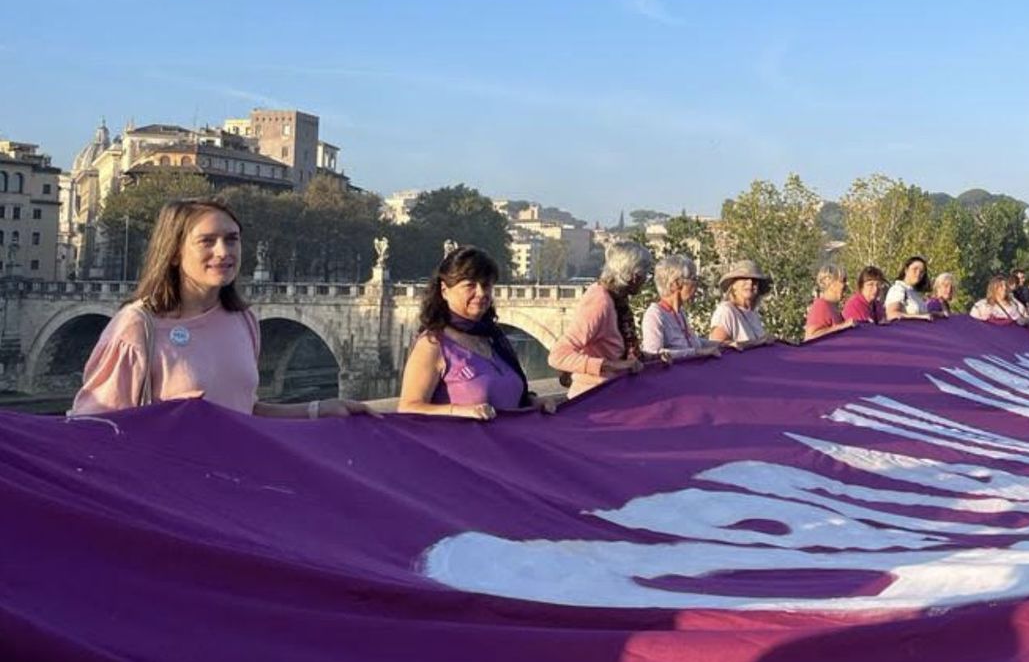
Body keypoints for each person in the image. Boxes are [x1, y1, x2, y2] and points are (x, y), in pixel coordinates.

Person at [71, 199, 369, 418]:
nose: (223, 252)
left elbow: (245, 412)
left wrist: (318, 409)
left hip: (232, 475)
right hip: (167, 480)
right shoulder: (137, 326)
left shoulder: (243, 320)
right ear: (174, 253)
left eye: (231, 239)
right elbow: (94, 426)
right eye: (207, 241)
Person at [397, 246, 532, 419]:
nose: (481, 293)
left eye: (486, 285)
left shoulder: (493, 339)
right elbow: (408, 407)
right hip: (456, 437)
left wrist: (536, 405)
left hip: (505, 436)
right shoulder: (433, 344)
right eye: (470, 285)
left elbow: (510, 400)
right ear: (444, 290)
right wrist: (460, 411)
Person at [548, 241, 649, 397]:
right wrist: (613, 366)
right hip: (593, 398)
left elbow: (618, 352)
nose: (645, 280)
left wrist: (653, 357)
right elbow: (558, 355)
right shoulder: (600, 302)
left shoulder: (617, 300)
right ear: (634, 277)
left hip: (612, 394)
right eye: (645, 275)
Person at [641, 255, 723, 362]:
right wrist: (695, 353)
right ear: (676, 284)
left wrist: (722, 344)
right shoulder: (655, 314)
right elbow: (654, 354)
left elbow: (693, 343)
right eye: (693, 279)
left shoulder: (679, 312)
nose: (696, 285)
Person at [710, 259, 777, 347]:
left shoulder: (753, 314)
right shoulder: (726, 311)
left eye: (754, 280)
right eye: (744, 278)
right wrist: (755, 343)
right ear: (734, 285)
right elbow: (717, 345)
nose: (750, 282)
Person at [804, 263, 856, 341]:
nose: (846, 285)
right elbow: (810, 337)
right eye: (843, 281)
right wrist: (842, 326)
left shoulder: (832, 307)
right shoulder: (821, 306)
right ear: (831, 283)